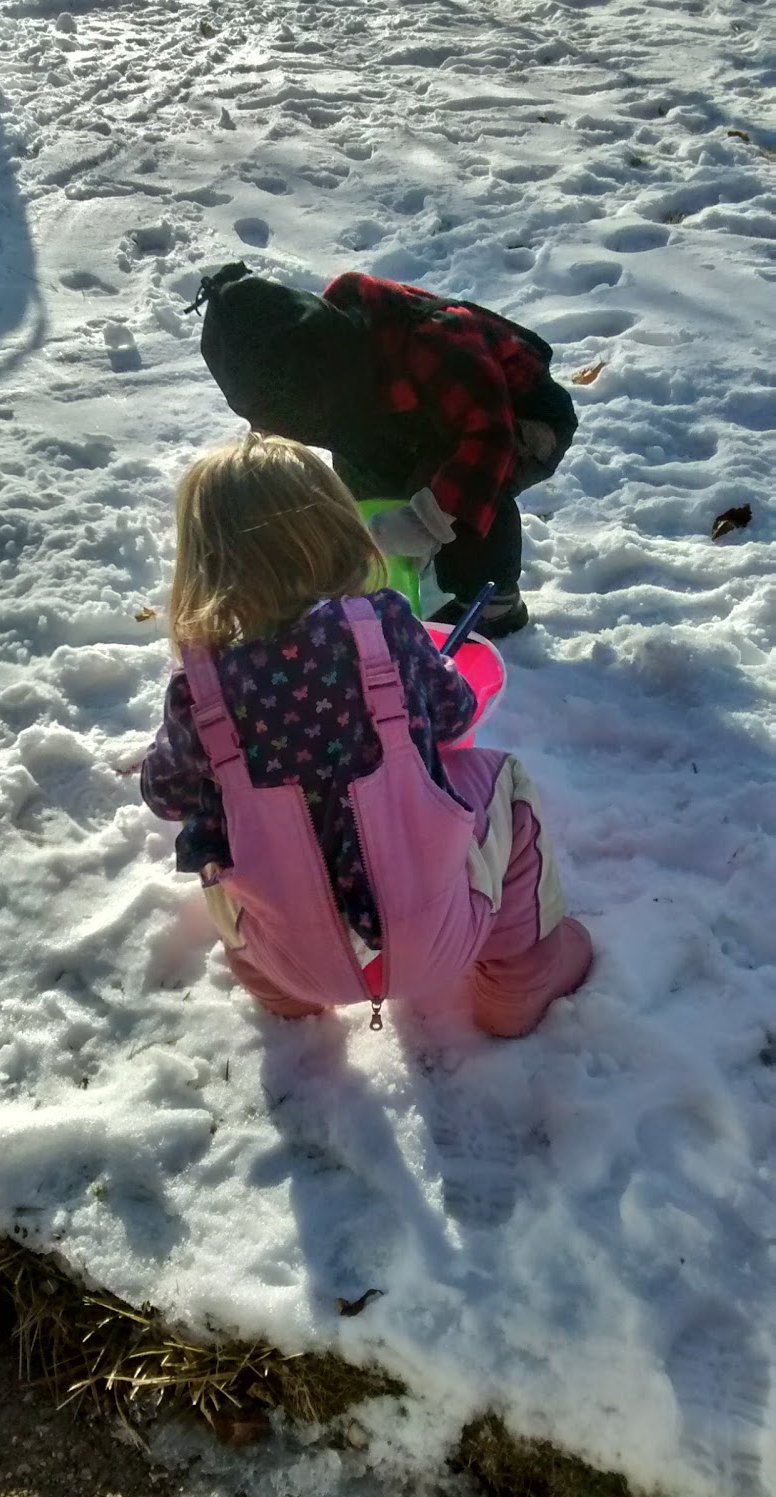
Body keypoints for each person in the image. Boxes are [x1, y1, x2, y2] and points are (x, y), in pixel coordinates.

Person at [141, 434, 592, 1034]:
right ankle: (522, 975)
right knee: (501, 780)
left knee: (216, 839)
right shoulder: (382, 626)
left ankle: (283, 999)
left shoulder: (200, 687)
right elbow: (455, 714)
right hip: (437, 934)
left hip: (293, 962)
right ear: (337, 530)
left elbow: (166, 795)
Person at [187, 263, 578, 640]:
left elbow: (489, 442)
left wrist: (427, 521)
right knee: (358, 463)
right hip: (423, 416)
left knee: (456, 484)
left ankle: (493, 602)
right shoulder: (313, 357)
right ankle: (388, 567)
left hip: (519, 421)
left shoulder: (436, 342)